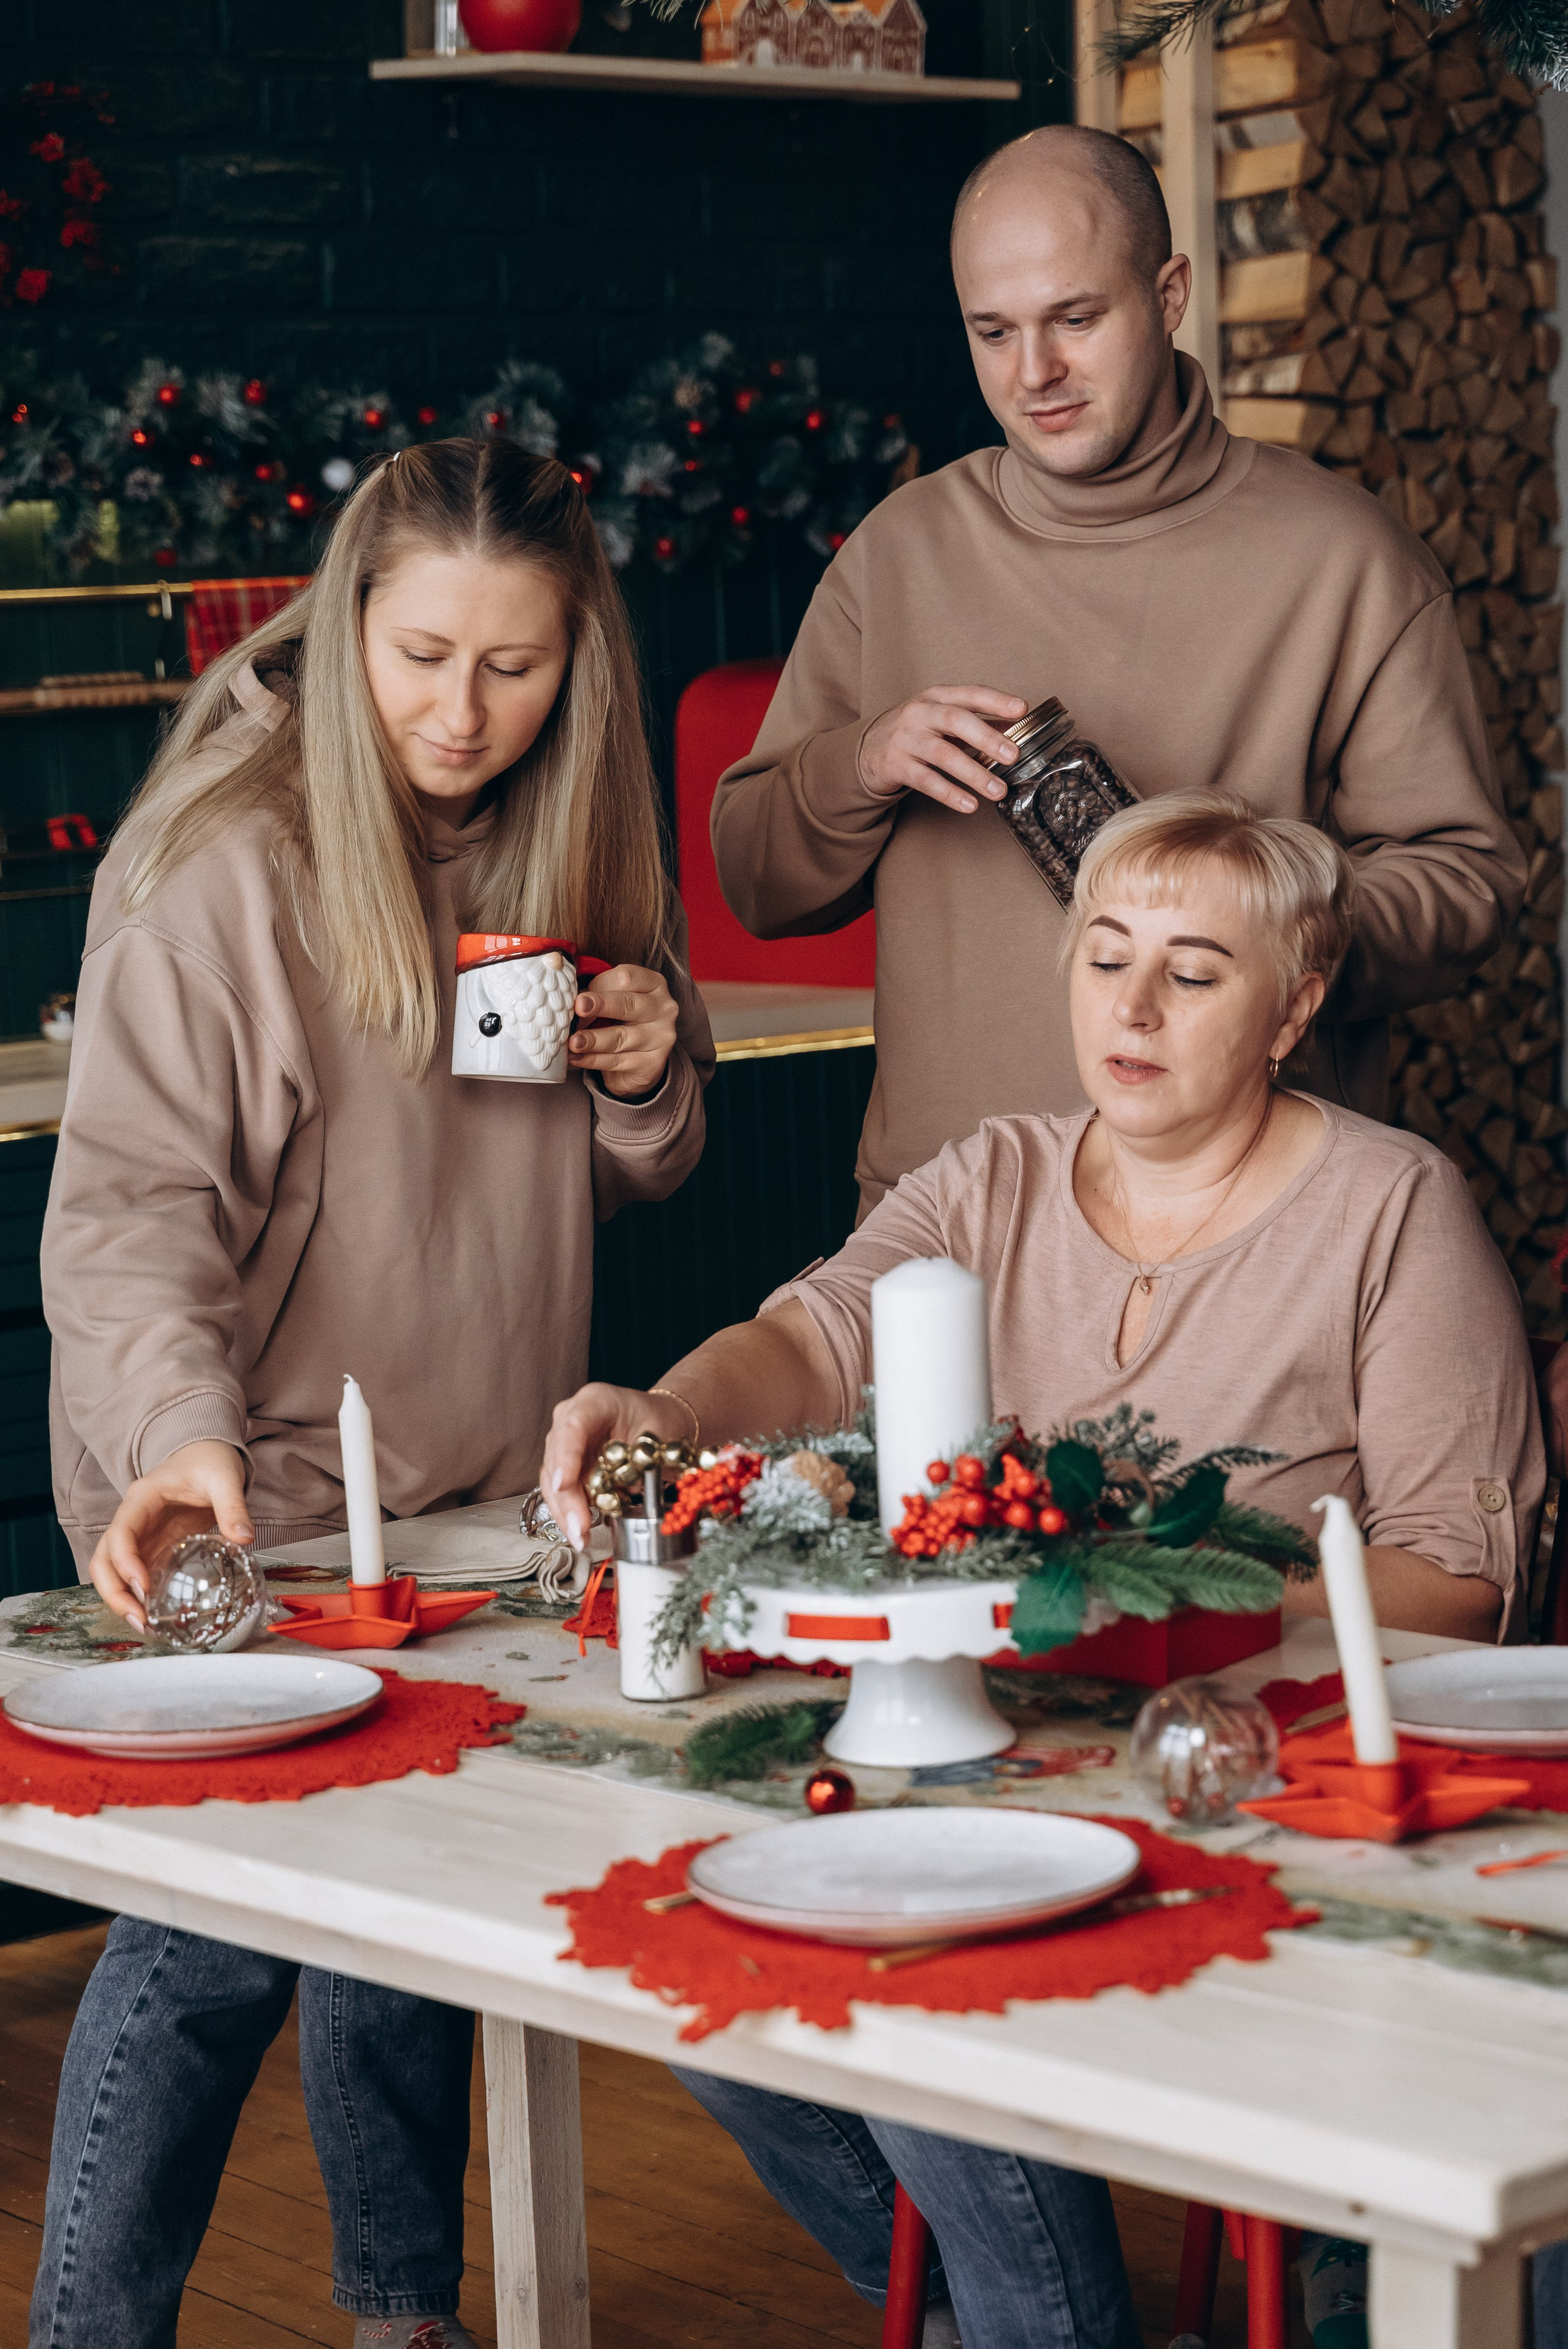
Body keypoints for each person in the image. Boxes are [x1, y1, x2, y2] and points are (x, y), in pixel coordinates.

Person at [542, 792, 1543, 2349]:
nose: (1132, 1008)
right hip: (1005, 1756)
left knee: (933, 1970)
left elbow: (1456, 1585)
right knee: (707, 1951)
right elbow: (811, 1338)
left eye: (1191, 973)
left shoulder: (1386, 1206)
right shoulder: (991, 1174)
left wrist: (1154, 1612)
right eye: (1104, 956)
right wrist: (665, 1411)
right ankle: (999, 2304)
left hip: (1258, 1787)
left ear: (1292, 1012)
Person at [34, 439, 712, 2349]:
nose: (461, 714)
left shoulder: (555, 827)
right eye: (421, 657)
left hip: (474, 1485)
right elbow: (134, 1214)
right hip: (240, 1482)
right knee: (208, 1941)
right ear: (345, 627)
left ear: (579, 661)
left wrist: (650, 1070)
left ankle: (403, 2311)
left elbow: (584, 1162)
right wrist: (177, 1434)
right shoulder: (225, 865)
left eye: (516, 666)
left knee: (402, 1920)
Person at [711, 124, 1526, 1221]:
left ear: (1170, 293)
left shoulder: (1347, 560)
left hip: (1247, 1218)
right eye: (993, 332)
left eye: (1076, 320)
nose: (1034, 374)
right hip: (944, 1215)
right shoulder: (898, 552)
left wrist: (1262, 919)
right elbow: (755, 883)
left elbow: (1469, 886)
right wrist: (862, 764)